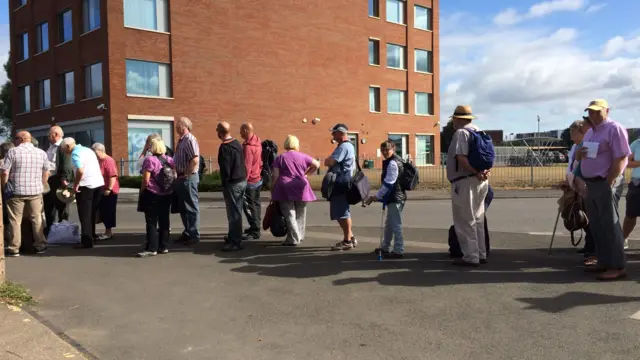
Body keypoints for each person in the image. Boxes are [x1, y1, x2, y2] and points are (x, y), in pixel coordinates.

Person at [575, 99, 630, 280]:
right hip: (591, 183)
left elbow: (621, 157)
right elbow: (580, 154)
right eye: (590, 112)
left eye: (597, 111)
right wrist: (579, 155)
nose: (593, 115)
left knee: (610, 225)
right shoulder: (591, 132)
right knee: (597, 225)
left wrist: (610, 181)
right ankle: (604, 261)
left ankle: (617, 265)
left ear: (607, 110)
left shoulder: (615, 128)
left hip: (605, 182)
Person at [446, 105, 490, 267]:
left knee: (465, 220)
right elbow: (487, 158)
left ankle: (471, 256)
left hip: (464, 181)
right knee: (478, 218)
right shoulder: (480, 132)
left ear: (458, 119)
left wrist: (474, 172)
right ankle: (481, 253)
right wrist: (482, 172)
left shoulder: (461, 133)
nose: (452, 123)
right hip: (481, 181)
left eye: (453, 119)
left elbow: (461, 158)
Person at [1, 132, 50, 256]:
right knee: (36, 218)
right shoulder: (41, 153)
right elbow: (46, 172)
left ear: (22, 139)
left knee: (15, 220)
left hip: (16, 191)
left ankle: (14, 247)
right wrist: (42, 184)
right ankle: (40, 245)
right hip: (35, 191)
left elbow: (5, 172)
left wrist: (5, 186)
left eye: (16, 138)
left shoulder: (12, 152)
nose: (14, 140)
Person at [271, 135, 319, 246]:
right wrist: (306, 175)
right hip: (301, 185)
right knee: (301, 212)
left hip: (285, 187)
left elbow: (275, 176)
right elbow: (316, 164)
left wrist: (272, 189)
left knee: (289, 213)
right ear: (296, 145)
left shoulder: (280, 157)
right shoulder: (303, 156)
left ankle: (293, 237)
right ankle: (300, 235)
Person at [366, 140, 406, 259]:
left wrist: (377, 196)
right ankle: (385, 247)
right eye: (382, 149)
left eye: (387, 149)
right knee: (389, 224)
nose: (384, 152)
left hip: (395, 197)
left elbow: (389, 183)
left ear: (393, 149)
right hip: (393, 197)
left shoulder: (393, 163)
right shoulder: (393, 161)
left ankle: (399, 250)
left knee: (395, 225)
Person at [61, 137, 104, 249]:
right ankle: (92, 236)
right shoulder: (88, 150)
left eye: (63, 149)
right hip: (98, 183)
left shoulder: (75, 154)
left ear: (68, 146)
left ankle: (86, 241)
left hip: (86, 185)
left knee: (85, 214)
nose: (64, 152)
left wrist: (75, 184)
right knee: (92, 212)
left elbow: (80, 170)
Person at [137, 138, 174, 258]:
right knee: (164, 220)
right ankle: (164, 246)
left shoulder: (149, 160)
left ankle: (152, 248)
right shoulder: (169, 159)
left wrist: (143, 190)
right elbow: (175, 175)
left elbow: (146, 179)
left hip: (152, 193)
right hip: (167, 194)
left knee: (152, 222)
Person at [563, 119, 595, 258]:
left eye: (573, 131)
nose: (571, 135)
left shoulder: (586, 146)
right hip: (574, 185)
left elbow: (583, 166)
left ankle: (593, 246)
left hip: (584, 186)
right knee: (581, 214)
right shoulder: (574, 147)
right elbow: (571, 166)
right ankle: (589, 244)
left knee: (589, 216)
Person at [217, 122, 247, 252]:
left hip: (232, 182)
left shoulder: (225, 147)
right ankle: (233, 236)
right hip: (241, 179)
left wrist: (225, 184)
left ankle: (235, 241)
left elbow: (225, 168)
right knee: (237, 211)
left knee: (233, 213)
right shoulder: (236, 143)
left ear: (220, 132)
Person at [327, 124, 358, 251]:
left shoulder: (344, 146)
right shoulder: (347, 146)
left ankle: (347, 241)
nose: (332, 135)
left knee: (342, 212)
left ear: (340, 133)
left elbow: (330, 162)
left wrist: (328, 160)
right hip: (343, 181)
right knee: (340, 211)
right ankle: (350, 237)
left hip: (341, 182)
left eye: (334, 133)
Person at [174, 117, 201, 246]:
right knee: (183, 208)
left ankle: (194, 234)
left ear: (184, 126)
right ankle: (188, 231)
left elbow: (194, 159)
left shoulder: (190, 139)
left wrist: (187, 174)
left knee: (191, 207)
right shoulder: (181, 141)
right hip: (180, 177)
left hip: (188, 178)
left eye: (177, 124)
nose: (175, 127)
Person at [43, 125, 74, 236]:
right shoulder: (51, 147)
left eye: (49, 134)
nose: (48, 137)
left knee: (62, 206)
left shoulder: (63, 146)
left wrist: (64, 180)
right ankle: (51, 229)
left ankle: (63, 230)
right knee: (49, 207)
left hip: (60, 180)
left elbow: (67, 165)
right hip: (50, 180)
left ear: (55, 135)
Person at [92, 143, 120, 240]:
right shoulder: (99, 160)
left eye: (95, 152)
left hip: (109, 190)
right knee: (102, 211)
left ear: (101, 151)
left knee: (108, 211)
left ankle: (108, 232)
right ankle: (107, 231)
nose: (95, 155)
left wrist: (109, 189)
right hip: (101, 189)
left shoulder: (109, 160)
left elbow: (112, 176)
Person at [240, 123, 263, 239]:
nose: (240, 133)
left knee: (249, 206)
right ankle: (256, 225)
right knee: (256, 204)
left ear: (245, 130)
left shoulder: (248, 147)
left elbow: (246, 167)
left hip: (250, 181)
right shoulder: (258, 143)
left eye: (241, 131)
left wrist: (243, 182)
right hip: (258, 178)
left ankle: (255, 229)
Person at [623, 136, 640, 248]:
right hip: (637, 183)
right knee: (630, 215)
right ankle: (623, 239)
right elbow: (626, 161)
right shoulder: (637, 143)